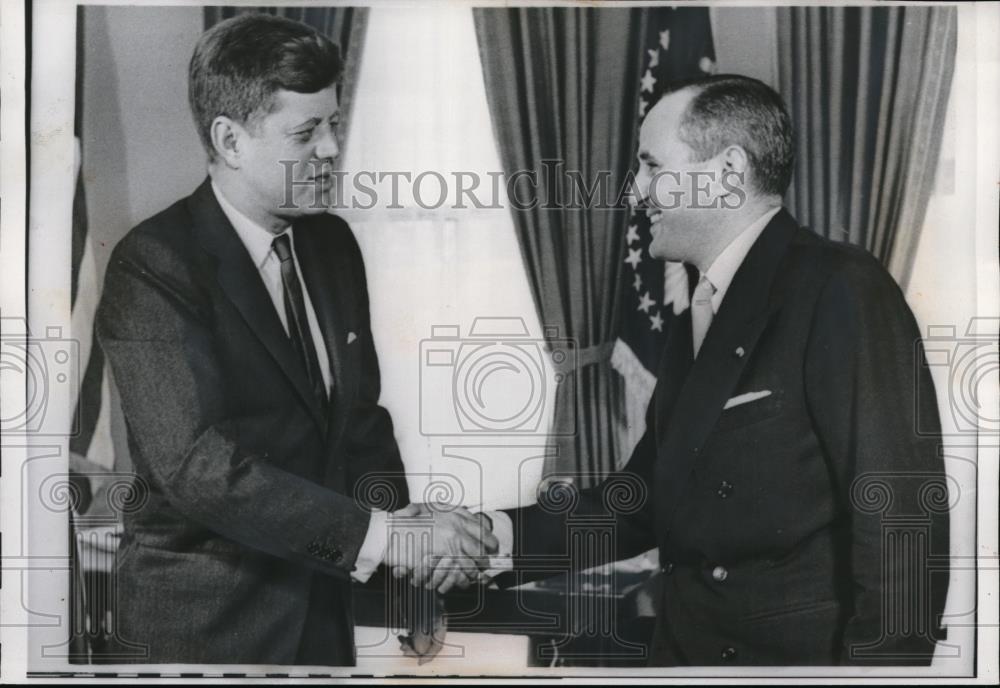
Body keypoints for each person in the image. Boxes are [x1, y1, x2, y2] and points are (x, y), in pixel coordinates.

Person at [423, 74, 950, 666]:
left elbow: (902, 519)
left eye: (651, 166)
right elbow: (644, 500)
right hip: (687, 657)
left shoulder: (840, 289)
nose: (635, 192)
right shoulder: (700, 312)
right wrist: (494, 534)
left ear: (727, 172)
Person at [96, 13, 495, 666]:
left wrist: (407, 582)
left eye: (333, 124)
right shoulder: (153, 265)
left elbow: (359, 426)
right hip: (201, 637)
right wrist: (393, 539)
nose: (333, 149)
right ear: (229, 139)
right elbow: (198, 468)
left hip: (321, 622)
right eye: (307, 132)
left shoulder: (332, 244)